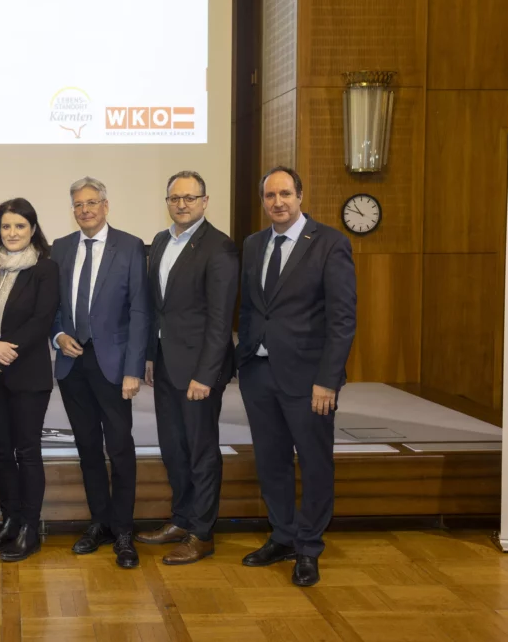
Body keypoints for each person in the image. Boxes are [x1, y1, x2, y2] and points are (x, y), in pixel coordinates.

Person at [237, 165, 356, 587]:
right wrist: (244, 357)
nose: (278, 202)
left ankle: (308, 548)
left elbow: (342, 319)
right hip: (259, 374)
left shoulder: (330, 243)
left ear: (300, 196)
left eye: (285, 194)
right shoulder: (254, 244)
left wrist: (328, 380)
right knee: (271, 462)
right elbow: (250, 308)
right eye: (270, 196)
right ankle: (283, 535)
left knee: (314, 463)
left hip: (309, 381)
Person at [137, 170, 238, 566]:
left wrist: (206, 375)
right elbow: (157, 308)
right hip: (166, 364)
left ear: (205, 201)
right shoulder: (162, 240)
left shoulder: (219, 247)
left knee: (201, 451)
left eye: (189, 198)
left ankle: (202, 533)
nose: (181, 204)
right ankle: (181, 519)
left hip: (199, 370)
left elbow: (220, 319)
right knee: (173, 448)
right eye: (174, 198)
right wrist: (150, 356)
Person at [50, 177, 148, 569]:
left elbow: (139, 310)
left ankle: (123, 530)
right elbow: (53, 305)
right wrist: (58, 335)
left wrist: (134, 369)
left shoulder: (130, 246)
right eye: (78, 204)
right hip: (72, 364)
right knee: (88, 447)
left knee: (120, 448)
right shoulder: (60, 248)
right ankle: (100, 522)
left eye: (91, 202)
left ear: (105, 206)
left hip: (114, 366)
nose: (85, 210)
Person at [0, 198, 59, 562]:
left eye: (20, 226)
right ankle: (10, 521)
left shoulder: (45, 268)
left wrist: (1, 360)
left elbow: (40, 321)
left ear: (32, 229)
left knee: (27, 452)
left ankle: (29, 530)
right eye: (6, 226)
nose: (12, 232)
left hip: (27, 375)